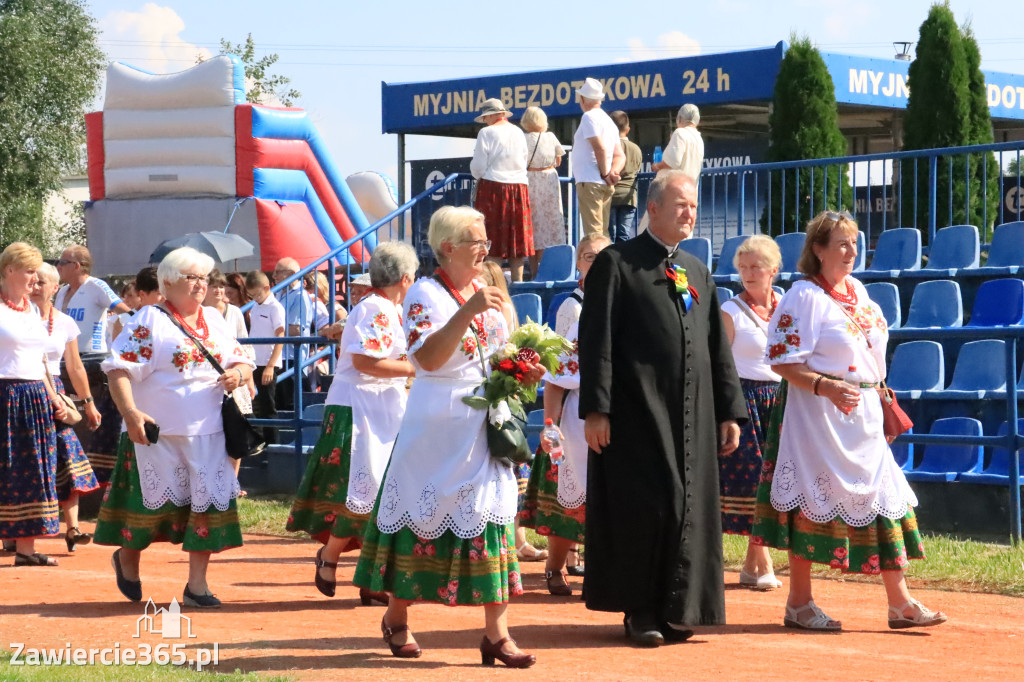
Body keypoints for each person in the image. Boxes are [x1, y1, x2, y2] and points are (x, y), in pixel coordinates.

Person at [353, 206, 544, 668]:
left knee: (492, 518)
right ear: (448, 247)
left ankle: (496, 635)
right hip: (436, 424)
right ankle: (396, 616)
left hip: (484, 423)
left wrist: (523, 370)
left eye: (486, 242)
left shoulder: (485, 289)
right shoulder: (424, 292)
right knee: (420, 517)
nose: (486, 249)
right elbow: (429, 360)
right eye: (476, 241)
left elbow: (499, 354)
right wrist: (468, 312)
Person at [751, 211, 947, 632]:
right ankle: (799, 604)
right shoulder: (803, 295)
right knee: (808, 499)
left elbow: (869, 358)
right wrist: (825, 386)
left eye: (855, 242)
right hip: (817, 416)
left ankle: (901, 603)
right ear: (817, 250)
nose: (851, 251)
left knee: (883, 498)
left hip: (862, 416)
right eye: (840, 243)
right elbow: (782, 361)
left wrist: (876, 397)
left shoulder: (858, 290)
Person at [578, 170, 747, 646]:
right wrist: (596, 409)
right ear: (651, 208)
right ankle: (641, 610)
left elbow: (717, 346)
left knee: (687, 507)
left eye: (693, 206)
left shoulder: (696, 269)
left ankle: (679, 608)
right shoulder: (617, 263)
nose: (689, 213)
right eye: (680, 205)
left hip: (693, 414)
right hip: (637, 413)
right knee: (648, 507)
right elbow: (597, 341)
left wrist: (729, 411)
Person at [96, 247, 255, 607]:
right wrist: (132, 412)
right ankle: (127, 561)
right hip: (155, 438)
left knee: (206, 510)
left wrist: (238, 374)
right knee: (145, 511)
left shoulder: (214, 319)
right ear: (168, 282)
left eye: (204, 278)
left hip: (209, 434)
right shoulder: (149, 319)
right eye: (191, 277)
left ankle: (196, 586)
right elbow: (118, 369)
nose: (200, 285)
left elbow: (242, 360)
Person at [287, 242, 418, 605]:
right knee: (363, 492)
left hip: (382, 409)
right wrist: (416, 368)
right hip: (359, 410)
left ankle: (366, 574)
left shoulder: (389, 308)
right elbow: (364, 362)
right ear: (405, 278)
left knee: (380, 495)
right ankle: (332, 557)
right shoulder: (375, 308)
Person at [518, 234, 610, 586]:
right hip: (579, 416)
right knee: (570, 497)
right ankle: (556, 565)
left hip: (620, 415)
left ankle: (600, 569)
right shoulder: (577, 313)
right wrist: (550, 425)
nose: (598, 263)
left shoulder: (628, 308)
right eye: (589, 256)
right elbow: (557, 379)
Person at [718, 235, 784, 590]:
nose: (748, 273)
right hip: (746, 400)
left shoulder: (786, 304)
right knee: (755, 480)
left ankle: (751, 564)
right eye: (742, 267)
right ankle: (762, 561)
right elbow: (720, 364)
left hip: (781, 398)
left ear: (773, 269)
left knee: (775, 479)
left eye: (755, 266)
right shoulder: (730, 310)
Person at [0, 242, 69, 567]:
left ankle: (26, 550)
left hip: (35, 398)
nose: (34, 278)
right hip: (4, 395)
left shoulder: (30, 310)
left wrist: (55, 398)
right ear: (9, 270)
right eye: (29, 271)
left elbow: (40, 360)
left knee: (33, 472)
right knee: (6, 470)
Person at [479, 261, 547, 565]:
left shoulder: (501, 310)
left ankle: (515, 541)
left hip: (501, 397)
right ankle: (513, 541)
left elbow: (505, 355)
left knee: (509, 463)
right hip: (487, 395)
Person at [29, 263, 101, 552]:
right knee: (26, 461)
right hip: (23, 390)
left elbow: (74, 365)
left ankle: (72, 527)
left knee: (68, 456)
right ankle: (16, 530)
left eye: (41, 282)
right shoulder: (13, 317)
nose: (34, 286)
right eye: (31, 281)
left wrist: (88, 403)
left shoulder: (65, 322)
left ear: (54, 288)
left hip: (56, 392)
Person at [55, 244, 132, 486]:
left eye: (62, 262)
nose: (58, 266)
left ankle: (97, 478)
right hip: (63, 360)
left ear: (76, 266)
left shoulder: (96, 286)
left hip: (92, 360)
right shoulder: (61, 291)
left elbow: (127, 312)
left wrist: (124, 339)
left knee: (91, 418)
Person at [470, 98, 534, 283]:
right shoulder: (519, 132)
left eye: (485, 117)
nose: (485, 121)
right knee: (517, 240)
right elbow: (524, 159)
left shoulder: (486, 133)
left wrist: (476, 172)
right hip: (519, 187)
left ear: (491, 115)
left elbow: (478, 166)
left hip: (492, 188)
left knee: (492, 239)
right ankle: (519, 282)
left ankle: (494, 284)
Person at [205, 269, 257, 487]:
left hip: (236, 375)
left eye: (220, 285)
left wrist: (249, 379)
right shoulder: (198, 313)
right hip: (212, 381)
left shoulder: (233, 312)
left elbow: (244, 345)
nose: (218, 290)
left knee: (236, 428)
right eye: (213, 285)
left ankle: (232, 483)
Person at [571, 78, 625, 240]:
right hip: (602, 183)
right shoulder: (609, 122)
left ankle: (596, 265)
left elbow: (599, 147)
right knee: (603, 233)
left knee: (593, 234)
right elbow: (619, 155)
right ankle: (605, 264)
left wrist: (606, 173)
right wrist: (612, 173)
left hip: (590, 180)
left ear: (582, 99)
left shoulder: (588, 117)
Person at [520, 106, 566, 277]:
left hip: (530, 180)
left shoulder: (522, 139)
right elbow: (559, 160)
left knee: (533, 226)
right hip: (549, 181)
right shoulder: (551, 137)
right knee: (552, 224)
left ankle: (534, 272)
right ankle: (550, 270)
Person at [245, 271, 286, 444]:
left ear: (267, 288)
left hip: (267, 362)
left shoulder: (275, 307)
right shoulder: (256, 306)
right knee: (257, 403)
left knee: (268, 405)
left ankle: (272, 444)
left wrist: (271, 365)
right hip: (255, 361)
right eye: (251, 295)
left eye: (256, 294)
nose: (254, 298)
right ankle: (260, 440)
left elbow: (280, 335)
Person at [274, 257, 315, 409]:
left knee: (290, 402)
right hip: (281, 355)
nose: (274, 276)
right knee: (280, 401)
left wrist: (271, 328)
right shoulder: (280, 294)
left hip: (292, 356)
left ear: (291, 274)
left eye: (278, 272)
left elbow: (296, 329)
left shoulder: (300, 296)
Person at [608, 111, 643, 243]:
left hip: (611, 195)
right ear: (628, 130)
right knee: (623, 236)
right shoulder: (636, 149)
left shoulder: (609, 147)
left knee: (609, 236)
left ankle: (610, 262)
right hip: (629, 196)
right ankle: (622, 262)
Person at [652, 103, 704, 180]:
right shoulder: (698, 138)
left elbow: (673, 162)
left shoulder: (679, 133)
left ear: (679, 119)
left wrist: (656, 166)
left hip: (674, 187)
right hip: (690, 186)